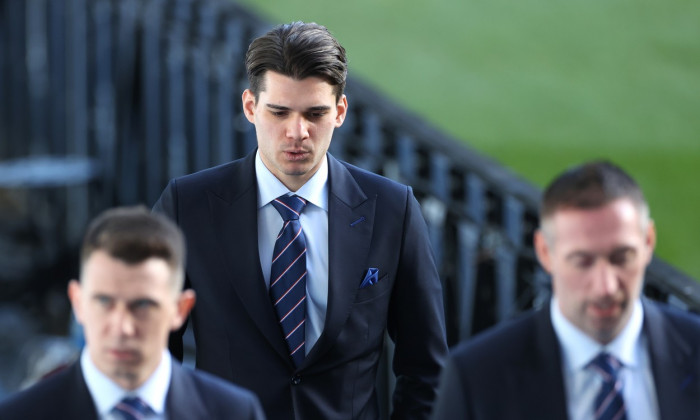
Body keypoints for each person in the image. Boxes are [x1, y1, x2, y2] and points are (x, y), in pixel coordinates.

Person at [153, 21, 447, 419]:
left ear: (340, 112)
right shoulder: (187, 205)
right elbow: (151, 353)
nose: (297, 132)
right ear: (250, 106)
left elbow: (426, 368)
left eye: (315, 113)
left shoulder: (393, 209)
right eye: (279, 112)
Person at [432, 161, 700, 420]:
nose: (605, 286)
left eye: (621, 258)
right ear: (545, 252)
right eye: (582, 261)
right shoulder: (478, 378)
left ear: (648, 241)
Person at [0, 206, 266, 419]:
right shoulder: (19, 415)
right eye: (105, 302)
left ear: (180, 309)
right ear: (78, 302)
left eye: (143, 305)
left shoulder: (236, 413)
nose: (123, 327)